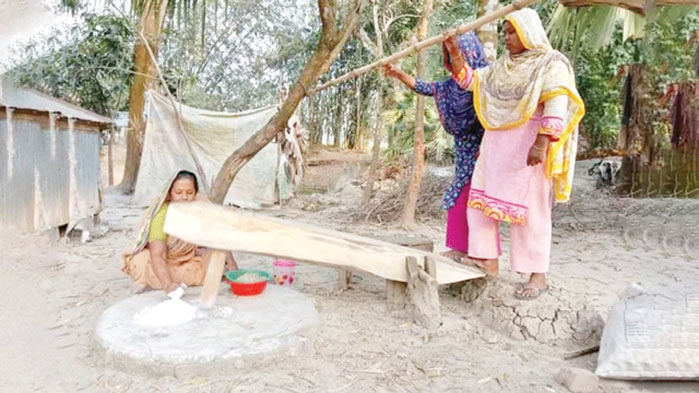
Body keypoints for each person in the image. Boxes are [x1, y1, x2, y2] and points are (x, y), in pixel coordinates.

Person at [443, 9, 585, 299]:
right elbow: (470, 81)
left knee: (531, 211)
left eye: (512, 32)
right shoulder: (501, 67)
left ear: (528, 32)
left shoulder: (551, 63)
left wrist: (542, 143)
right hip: (495, 148)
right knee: (479, 203)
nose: (507, 38)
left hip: (528, 149)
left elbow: (557, 103)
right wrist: (455, 52)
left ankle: (537, 275)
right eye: (505, 32)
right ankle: (487, 259)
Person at [383, 32, 496, 262]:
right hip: (463, 153)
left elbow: (496, 114)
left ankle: (480, 254)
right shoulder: (448, 87)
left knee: (476, 201)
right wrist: (398, 74)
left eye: (456, 55)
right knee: (458, 199)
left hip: (484, 151)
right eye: (449, 55)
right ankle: (459, 247)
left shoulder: (485, 83)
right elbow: (423, 87)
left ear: (468, 55)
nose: (452, 60)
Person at [122, 170, 238, 295]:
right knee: (141, 262)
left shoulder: (201, 206)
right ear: (169, 194)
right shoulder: (161, 215)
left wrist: (233, 268)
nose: (184, 197)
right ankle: (165, 280)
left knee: (217, 257)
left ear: (195, 193)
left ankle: (158, 281)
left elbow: (218, 235)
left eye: (189, 192)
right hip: (161, 261)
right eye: (178, 192)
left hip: (189, 260)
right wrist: (168, 284)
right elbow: (158, 255)